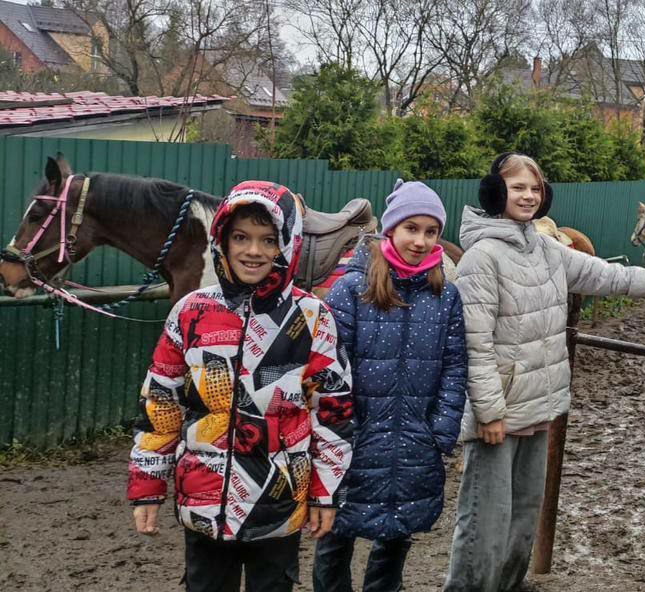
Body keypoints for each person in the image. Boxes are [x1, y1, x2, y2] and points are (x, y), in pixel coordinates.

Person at [442, 153, 645, 592]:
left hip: (539, 407)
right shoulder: (482, 258)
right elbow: (475, 344)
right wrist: (489, 412)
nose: (529, 196)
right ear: (495, 193)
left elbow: (611, 277)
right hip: (498, 415)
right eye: (518, 187)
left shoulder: (547, 249)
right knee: (483, 525)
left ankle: (511, 587)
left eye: (535, 188)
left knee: (522, 518)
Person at [128, 181, 355, 592]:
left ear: (287, 243)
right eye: (241, 237)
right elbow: (161, 401)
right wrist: (147, 484)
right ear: (221, 240)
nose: (253, 251)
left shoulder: (312, 317)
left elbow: (332, 412)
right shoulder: (191, 312)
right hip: (203, 498)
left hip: (279, 501)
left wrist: (326, 494)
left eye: (268, 240)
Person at [312, 180, 467, 592]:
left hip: (416, 439)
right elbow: (329, 368)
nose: (420, 240)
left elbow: (454, 367)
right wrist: (342, 432)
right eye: (411, 228)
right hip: (354, 440)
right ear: (391, 230)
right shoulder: (351, 290)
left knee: (397, 534)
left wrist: (441, 430)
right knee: (335, 533)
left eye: (430, 231)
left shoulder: (445, 296)